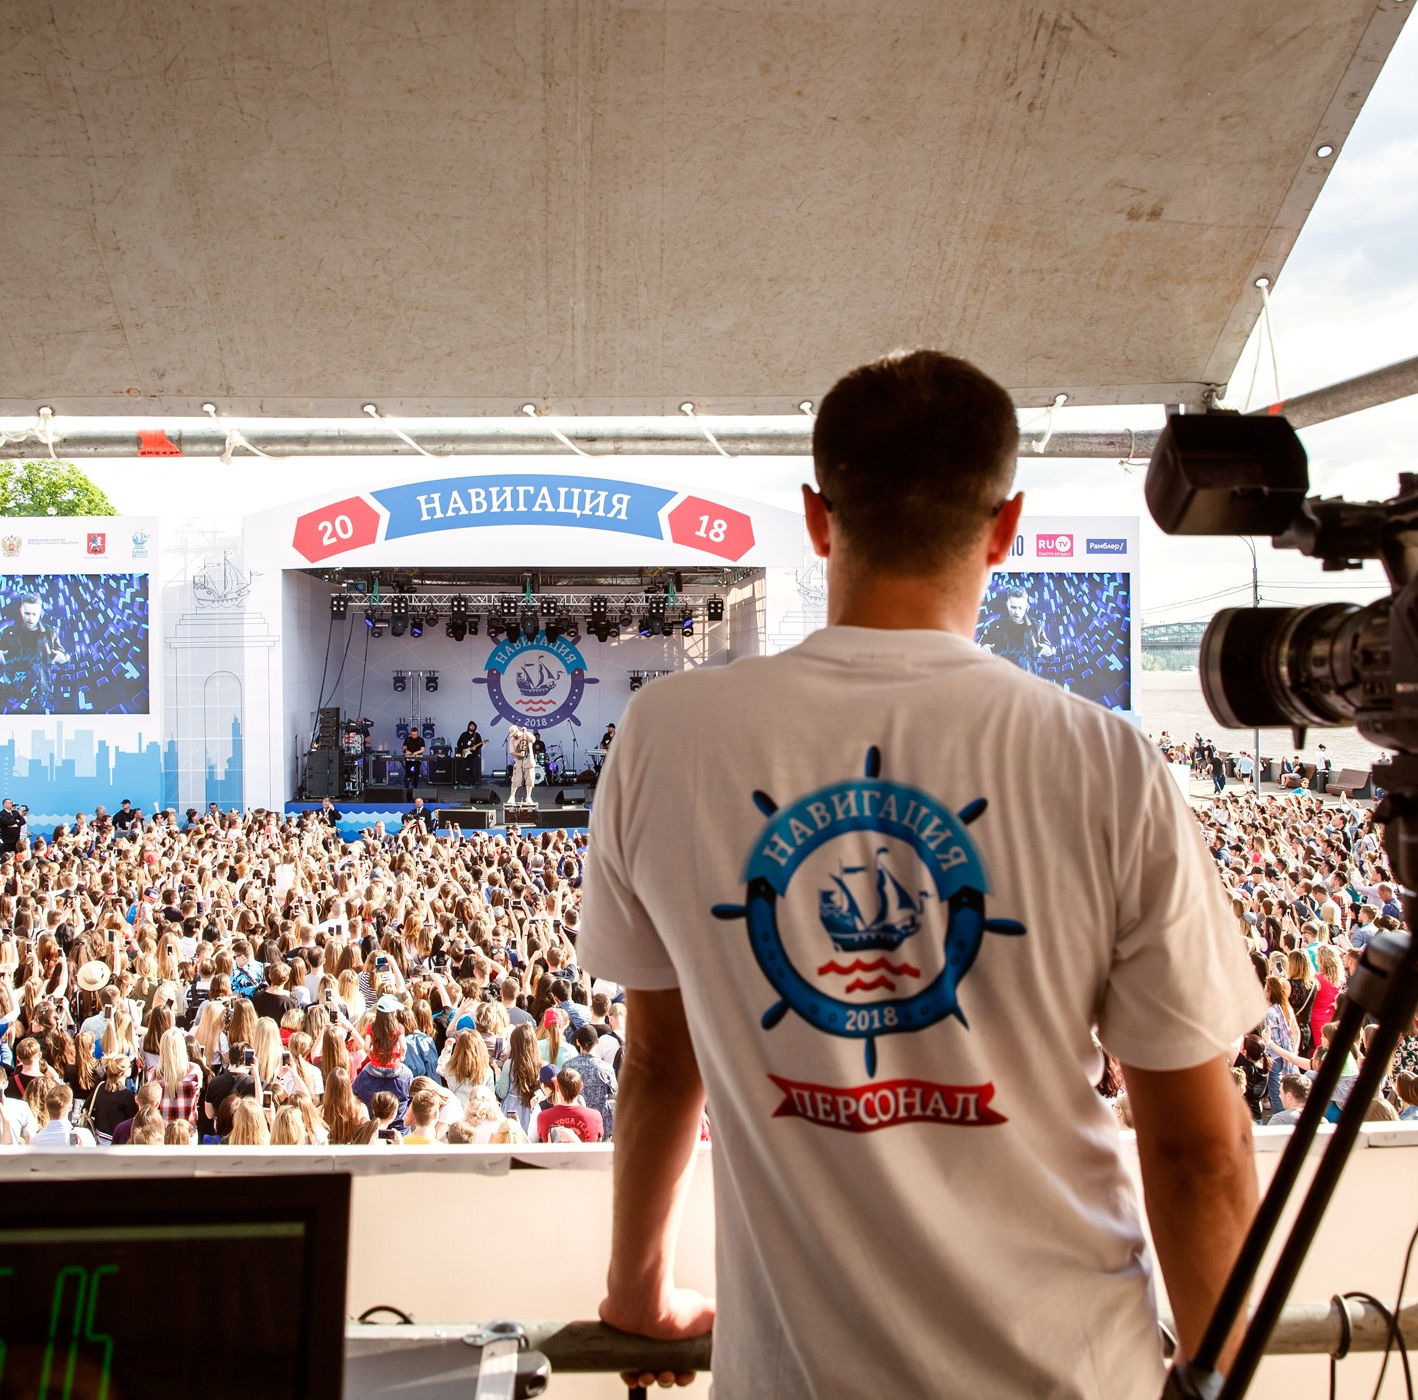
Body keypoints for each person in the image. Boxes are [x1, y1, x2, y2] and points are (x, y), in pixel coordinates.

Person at [579, 350, 1262, 1397]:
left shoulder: (666, 735)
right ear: (1007, 525)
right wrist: (1212, 1380)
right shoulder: (1107, 758)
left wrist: (638, 1293)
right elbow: (1198, 1156)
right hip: (1073, 1372)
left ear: (818, 517)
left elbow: (662, 1070)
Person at [0, 594, 71, 710]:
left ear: (40, 613)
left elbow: (65, 658)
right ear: (21, 611)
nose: (30, 618)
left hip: (39, 693)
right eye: (27, 613)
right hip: (12, 691)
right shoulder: (7, 633)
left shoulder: (50, 633)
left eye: (34, 614)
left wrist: (62, 658)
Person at [535, 1067, 603, 1143]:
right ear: (581, 1086)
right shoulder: (595, 1116)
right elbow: (598, 1145)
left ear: (557, 1087)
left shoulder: (543, 1117)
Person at [506, 723, 538, 808]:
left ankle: (528, 797)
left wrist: (526, 732)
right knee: (516, 780)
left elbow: (533, 739)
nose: (513, 736)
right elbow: (512, 752)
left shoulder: (526, 735)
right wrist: (519, 754)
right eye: (512, 735)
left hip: (529, 762)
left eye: (514, 734)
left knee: (530, 780)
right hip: (519, 763)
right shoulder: (512, 740)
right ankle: (512, 796)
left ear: (517, 731)